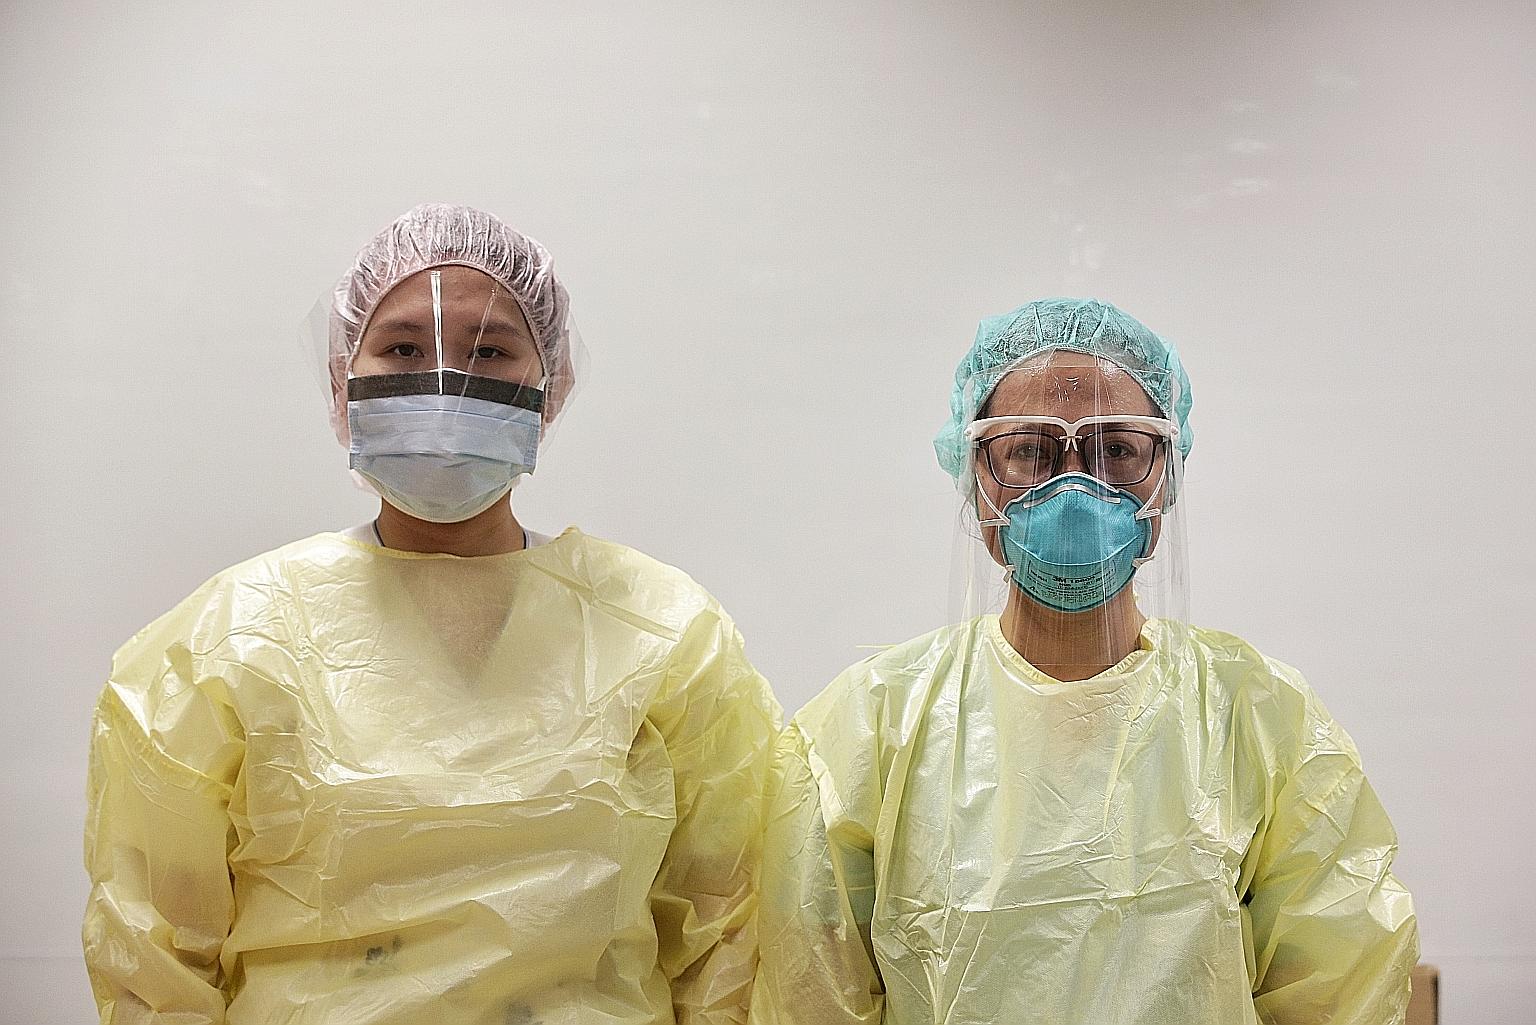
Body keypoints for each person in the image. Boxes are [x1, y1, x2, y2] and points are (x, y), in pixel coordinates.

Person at [83, 203, 782, 1024]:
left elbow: (728, 937)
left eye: (489, 350)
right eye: (405, 348)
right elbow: (155, 960)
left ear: (545, 386)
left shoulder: (664, 631)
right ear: (345, 376)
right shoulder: (225, 641)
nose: (446, 385)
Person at [751, 298, 1417, 1024]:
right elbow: (809, 992)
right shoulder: (867, 730)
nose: (1074, 485)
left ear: (1166, 480)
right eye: (1031, 449)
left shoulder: (1263, 723)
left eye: (1116, 449)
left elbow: (1339, 989)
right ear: (977, 481)